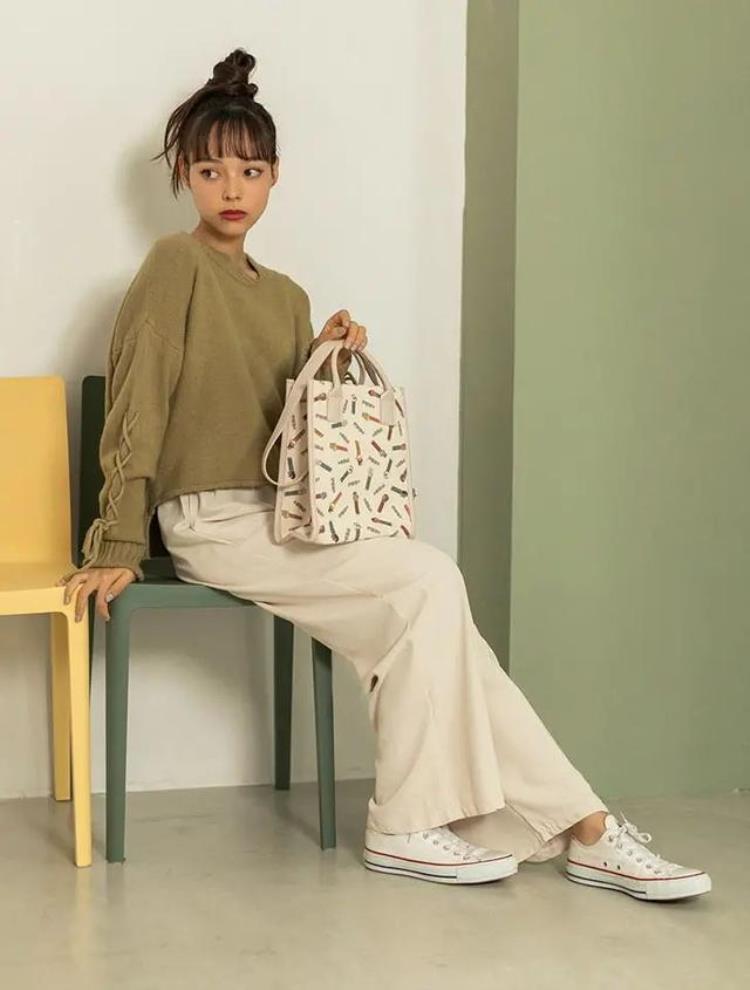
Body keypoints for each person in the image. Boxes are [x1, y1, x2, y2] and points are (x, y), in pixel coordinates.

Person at [57, 48, 710, 901]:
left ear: (274, 177)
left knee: (440, 623)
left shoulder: (285, 294)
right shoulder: (173, 265)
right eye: (210, 171)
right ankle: (405, 825)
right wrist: (115, 538)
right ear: (184, 176)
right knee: (430, 583)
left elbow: (284, 426)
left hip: (284, 517)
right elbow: (136, 402)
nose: (230, 189)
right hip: (211, 521)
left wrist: (323, 349)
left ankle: (585, 827)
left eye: (249, 171)